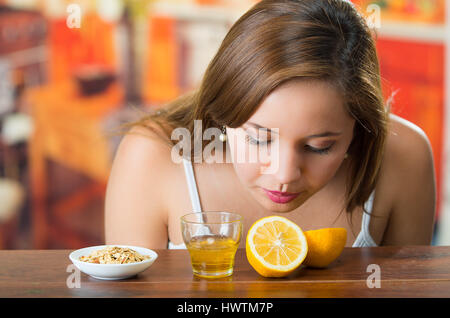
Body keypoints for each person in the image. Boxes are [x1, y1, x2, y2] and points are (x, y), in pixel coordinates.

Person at [104, 0, 436, 249]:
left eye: (319, 146)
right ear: (224, 109)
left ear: (358, 126)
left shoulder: (404, 156)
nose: (284, 175)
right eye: (260, 139)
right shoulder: (151, 157)